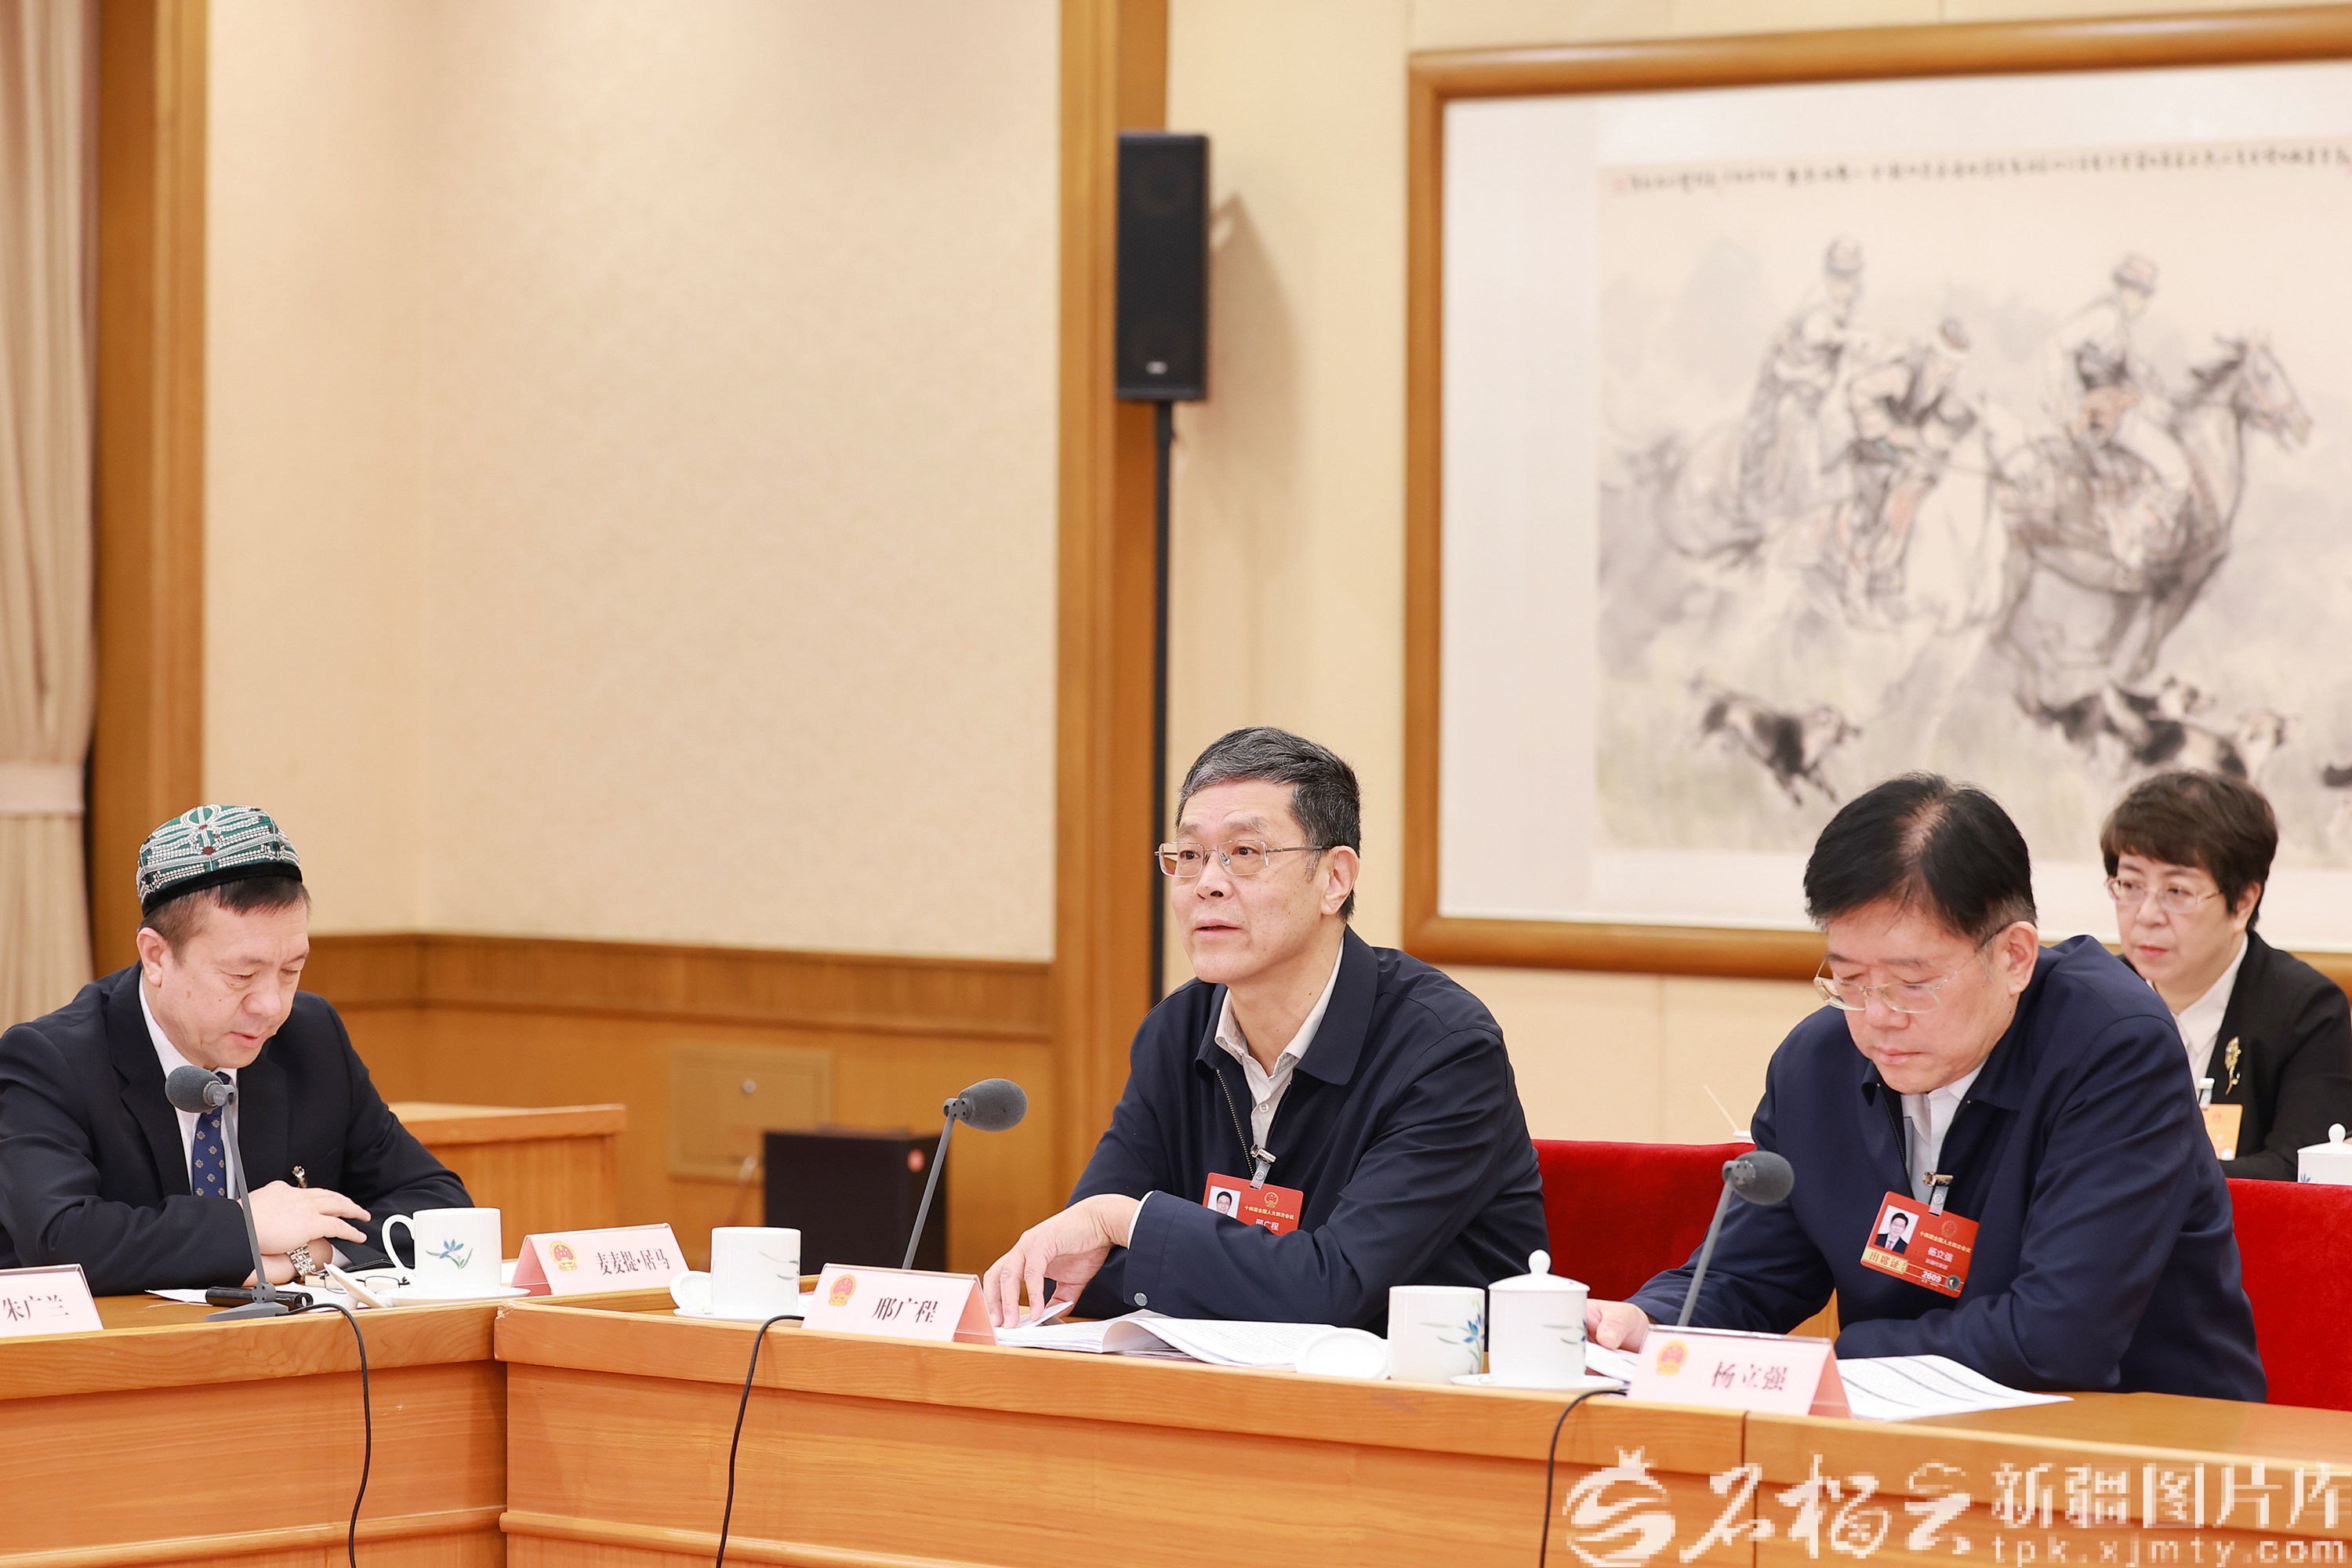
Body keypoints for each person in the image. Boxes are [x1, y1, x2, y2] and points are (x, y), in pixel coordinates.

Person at [1588, 773, 2264, 1399]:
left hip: (2143, 1443)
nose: (1878, 1016)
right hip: (1900, 1430)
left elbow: (2057, 1338)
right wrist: (1651, 1323)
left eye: (1913, 984)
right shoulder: (1816, 1064)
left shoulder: (2114, 1048)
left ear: (2015, 956)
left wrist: (1830, 1360)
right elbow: (1748, 1274)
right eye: (1850, 979)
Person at [981, 727, 1547, 1329]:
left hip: (1428, 1381)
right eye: (1190, 856)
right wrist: (1243, 1271)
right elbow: (1081, 1270)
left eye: (1245, 852)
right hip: (1222, 1380)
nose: (1208, 882)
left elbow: (1334, 1292)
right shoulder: (1176, 1031)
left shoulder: (1444, 1050)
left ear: (1334, 879)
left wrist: (1126, 1222)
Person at [0, 806, 470, 1295]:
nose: (271, 1006)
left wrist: (309, 1254)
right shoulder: (50, 1058)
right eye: (241, 976)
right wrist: (244, 1226)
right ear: (156, 956)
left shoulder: (311, 1036)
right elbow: (58, 1237)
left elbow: (440, 1204)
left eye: (291, 971)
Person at [2103, 769, 2352, 1180]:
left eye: (2177, 891)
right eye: (2130, 885)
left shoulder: (2307, 1011)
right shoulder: (2090, 999)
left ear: (2242, 903)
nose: (2145, 915)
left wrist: (2142, 1183)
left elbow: (2301, 1172)